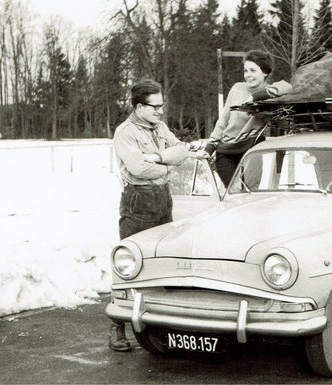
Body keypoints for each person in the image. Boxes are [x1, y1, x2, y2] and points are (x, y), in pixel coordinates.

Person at [109, 79, 205, 352]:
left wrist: (157, 157)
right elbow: (139, 168)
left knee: (165, 260)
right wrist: (164, 166)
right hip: (139, 200)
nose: (161, 111)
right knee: (131, 264)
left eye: (162, 106)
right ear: (139, 107)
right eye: (155, 107)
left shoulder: (159, 127)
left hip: (163, 199)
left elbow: (181, 150)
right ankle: (117, 327)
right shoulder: (124, 133)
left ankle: (164, 324)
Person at [204, 50, 291, 186]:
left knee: (251, 191)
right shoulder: (237, 89)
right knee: (235, 191)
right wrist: (210, 147)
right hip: (227, 151)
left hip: (252, 150)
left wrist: (256, 96)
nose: (248, 75)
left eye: (253, 70)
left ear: (265, 72)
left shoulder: (271, 93)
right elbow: (223, 120)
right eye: (245, 71)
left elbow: (287, 87)